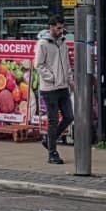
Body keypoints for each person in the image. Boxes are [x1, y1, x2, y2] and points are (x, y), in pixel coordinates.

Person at [34, 19, 73, 165]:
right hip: (49, 88)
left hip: (62, 86)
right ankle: (52, 153)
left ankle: (49, 140)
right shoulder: (43, 44)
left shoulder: (63, 43)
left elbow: (66, 63)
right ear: (51, 27)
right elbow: (39, 64)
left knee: (69, 116)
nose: (60, 31)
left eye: (62, 28)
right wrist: (52, 78)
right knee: (53, 120)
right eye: (58, 28)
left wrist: (70, 80)